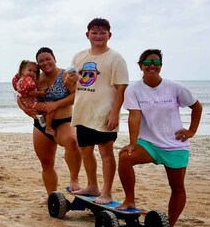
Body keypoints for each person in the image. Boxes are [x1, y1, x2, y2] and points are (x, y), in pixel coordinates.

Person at [118, 50, 202, 227]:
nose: (152, 66)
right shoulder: (134, 89)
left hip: (175, 145)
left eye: (156, 62)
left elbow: (196, 106)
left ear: (161, 65)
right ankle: (129, 200)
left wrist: (191, 131)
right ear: (140, 66)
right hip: (149, 144)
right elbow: (134, 116)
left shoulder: (174, 87)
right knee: (125, 157)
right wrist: (133, 143)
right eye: (147, 63)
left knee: (177, 186)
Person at [66, 18, 128, 204]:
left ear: (109, 35)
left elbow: (121, 88)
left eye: (102, 32)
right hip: (83, 112)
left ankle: (106, 192)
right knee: (85, 150)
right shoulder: (79, 57)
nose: (98, 36)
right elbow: (71, 83)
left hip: (104, 113)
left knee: (106, 152)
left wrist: (114, 113)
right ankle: (92, 186)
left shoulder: (115, 58)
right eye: (94, 32)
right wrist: (69, 79)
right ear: (87, 35)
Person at [16, 47, 82, 201]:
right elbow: (21, 97)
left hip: (64, 121)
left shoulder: (66, 75)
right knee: (46, 164)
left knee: (72, 142)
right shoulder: (34, 79)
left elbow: (76, 96)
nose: (45, 63)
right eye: (41, 61)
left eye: (48, 59)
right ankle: (51, 196)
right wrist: (26, 110)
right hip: (41, 124)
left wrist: (56, 104)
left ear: (54, 58)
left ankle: (74, 179)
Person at [13, 60, 54, 137]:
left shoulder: (19, 80)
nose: (32, 73)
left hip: (28, 103)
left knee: (42, 112)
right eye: (30, 70)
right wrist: (41, 93)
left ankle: (41, 119)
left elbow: (19, 95)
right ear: (22, 71)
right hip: (32, 103)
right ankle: (48, 127)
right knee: (50, 109)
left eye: (34, 72)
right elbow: (31, 93)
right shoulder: (27, 80)